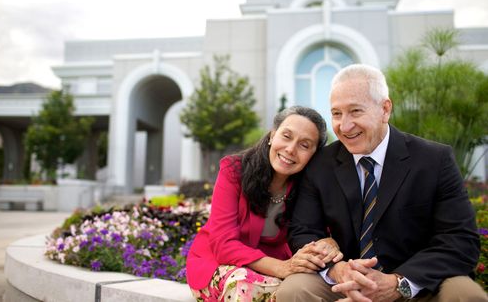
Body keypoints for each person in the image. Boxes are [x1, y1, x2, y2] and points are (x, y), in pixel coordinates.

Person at [276, 64, 487, 301]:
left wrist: (399, 283)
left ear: (385, 109)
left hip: (417, 285)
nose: (344, 126)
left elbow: (461, 241)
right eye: (336, 113)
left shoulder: (435, 160)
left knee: (466, 294)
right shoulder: (320, 164)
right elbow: (303, 230)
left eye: (355, 111)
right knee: (294, 290)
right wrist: (337, 269)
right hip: (344, 283)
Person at [186, 106, 344, 301]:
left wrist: (329, 242)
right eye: (286, 136)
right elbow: (223, 244)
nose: (290, 149)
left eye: (304, 145)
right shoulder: (233, 170)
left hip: (271, 272)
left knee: (297, 291)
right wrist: (282, 267)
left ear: (314, 155)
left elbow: (319, 231)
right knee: (245, 286)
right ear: (272, 136)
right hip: (218, 266)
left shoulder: (310, 186)